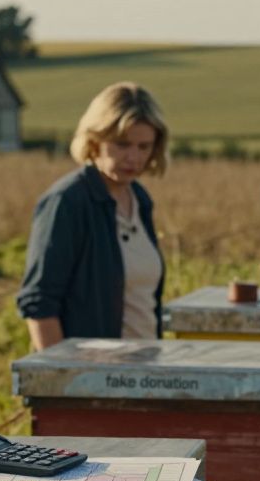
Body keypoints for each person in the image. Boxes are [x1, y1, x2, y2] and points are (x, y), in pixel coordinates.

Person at [17, 82, 169, 351]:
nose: (133, 157)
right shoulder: (68, 202)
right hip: (91, 377)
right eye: (122, 144)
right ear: (95, 140)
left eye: (144, 147)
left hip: (146, 373)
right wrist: (65, 380)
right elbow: (40, 305)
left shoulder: (140, 200)